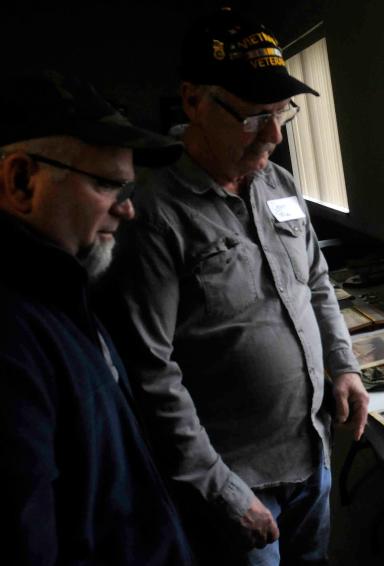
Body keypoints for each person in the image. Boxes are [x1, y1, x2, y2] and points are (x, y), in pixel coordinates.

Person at [100, 8, 369, 565]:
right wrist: (219, 488)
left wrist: (343, 366)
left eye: (281, 114)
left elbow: (316, 281)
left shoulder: (279, 181)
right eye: (252, 117)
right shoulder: (154, 213)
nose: (272, 135)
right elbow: (150, 371)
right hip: (239, 486)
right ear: (193, 100)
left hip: (310, 452)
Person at [0, 70, 191, 564]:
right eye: (109, 186)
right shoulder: (13, 338)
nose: (127, 211)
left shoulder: (64, 292)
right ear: (21, 181)